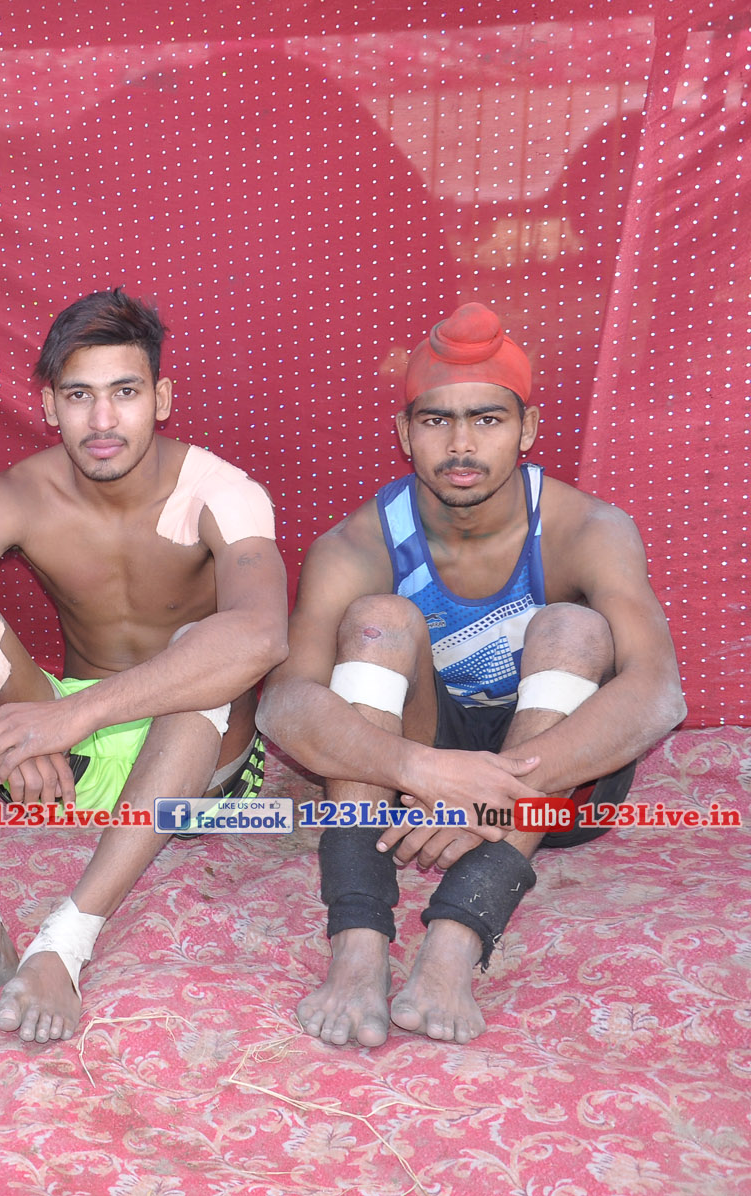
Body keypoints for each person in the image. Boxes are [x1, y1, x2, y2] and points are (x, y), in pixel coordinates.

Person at [257, 301, 685, 1047]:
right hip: (420, 775)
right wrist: (421, 770)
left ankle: (456, 941)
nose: (461, 444)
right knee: (377, 619)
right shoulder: (355, 543)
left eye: (487, 419)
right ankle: (358, 942)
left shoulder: (589, 528)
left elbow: (658, 693)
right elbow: (285, 705)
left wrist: (491, 794)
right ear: (404, 433)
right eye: (437, 421)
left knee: (575, 627)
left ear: (528, 428)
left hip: (560, 782)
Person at [0, 288, 288, 1043]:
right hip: (66, 758)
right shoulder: (17, 495)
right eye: (79, 396)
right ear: (48, 405)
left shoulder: (223, 492)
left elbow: (260, 638)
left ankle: (64, 945)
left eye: (124, 393)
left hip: (191, 758)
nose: (102, 421)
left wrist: (69, 717)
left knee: (207, 643)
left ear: (161, 399)